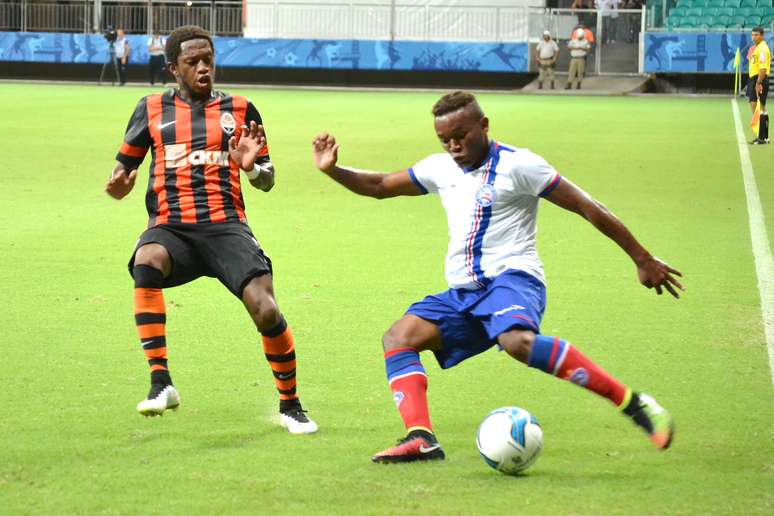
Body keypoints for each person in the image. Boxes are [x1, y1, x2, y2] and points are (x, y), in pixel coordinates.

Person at [311, 91, 681, 463]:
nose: (454, 145)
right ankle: (421, 437)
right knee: (398, 338)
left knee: (516, 342)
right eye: (445, 139)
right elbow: (379, 186)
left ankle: (633, 404)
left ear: (484, 125)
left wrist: (643, 258)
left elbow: (586, 205)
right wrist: (333, 171)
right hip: (464, 293)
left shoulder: (520, 166)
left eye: (461, 135)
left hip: (513, 280)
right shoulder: (440, 168)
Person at [105, 25, 317, 434]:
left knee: (266, 309)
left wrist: (252, 165)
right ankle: (161, 382)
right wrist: (117, 186)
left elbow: (267, 179)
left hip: (226, 227)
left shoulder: (241, 109)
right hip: (171, 227)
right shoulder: (150, 109)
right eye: (192, 62)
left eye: (209, 60)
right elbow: (123, 172)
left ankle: (291, 405)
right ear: (173, 69)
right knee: (146, 259)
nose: (203, 69)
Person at [748, 27, 770, 145]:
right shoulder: (758, 48)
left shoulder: (762, 49)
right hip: (756, 79)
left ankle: (761, 137)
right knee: (761, 108)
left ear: (762, 35)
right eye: (752, 35)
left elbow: (762, 68)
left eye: (756, 35)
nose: (753, 37)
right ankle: (764, 137)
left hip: (758, 79)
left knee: (758, 108)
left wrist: (758, 82)